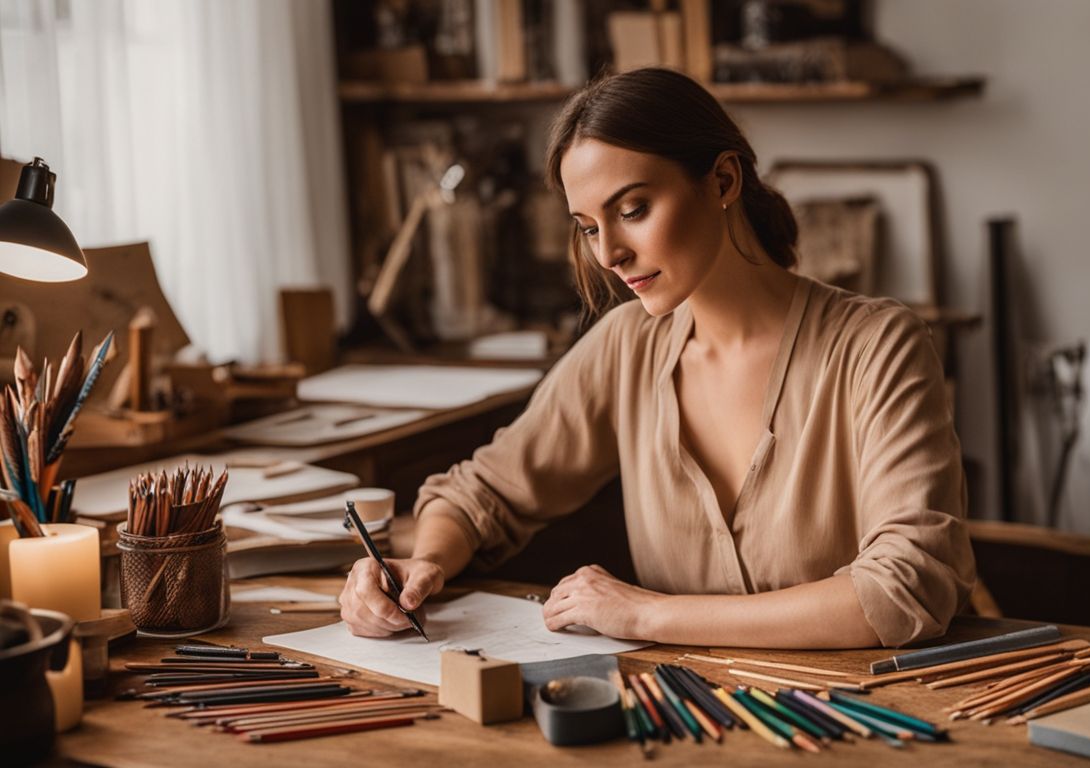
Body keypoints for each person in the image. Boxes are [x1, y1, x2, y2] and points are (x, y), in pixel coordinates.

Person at [339, 67, 975, 649]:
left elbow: (905, 588)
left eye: (633, 209)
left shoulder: (878, 347)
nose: (609, 252)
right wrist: (426, 563)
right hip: (681, 718)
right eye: (589, 227)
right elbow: (482, 491)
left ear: (723, 181)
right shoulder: (627, 347)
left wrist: (645, 615)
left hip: (870, 717)